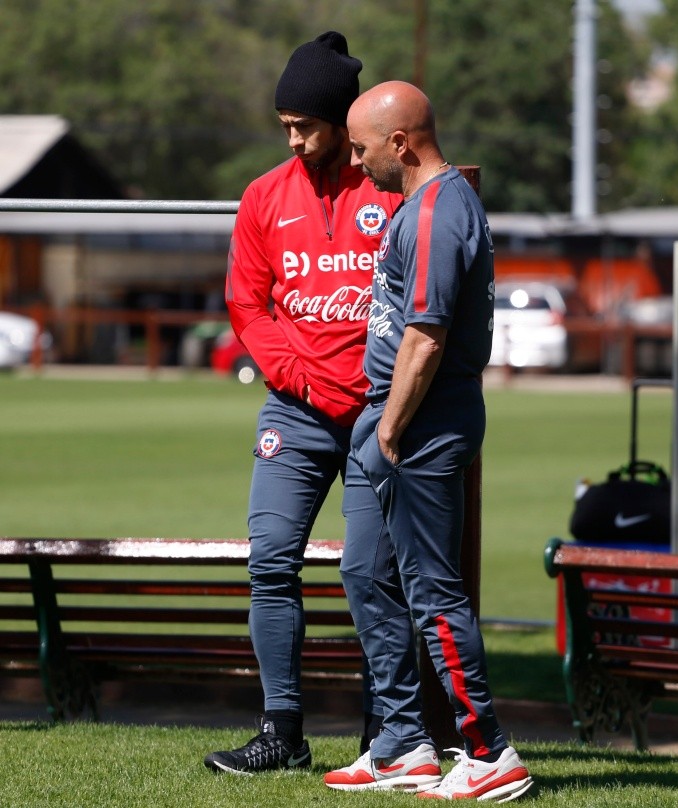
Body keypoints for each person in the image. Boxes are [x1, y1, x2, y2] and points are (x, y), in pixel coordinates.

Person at [323, 81, 534, 802]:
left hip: (419, 423)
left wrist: (389, 427)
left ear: (400, 142)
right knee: (365, 574)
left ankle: (489, 752)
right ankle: (401, 744)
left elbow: (427, 334)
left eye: (361, 149)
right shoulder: (417, 207)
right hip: (390, 419)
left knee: (433, 591)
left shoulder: (442, 210)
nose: (355, 163)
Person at [204, 33, 401, 776]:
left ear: (342, 120)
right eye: (284, 125)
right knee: (270, 561)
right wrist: (294, 372)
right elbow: (245, 303)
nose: (292, 139)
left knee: (373, 575)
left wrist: (381, 387)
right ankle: (281, 732)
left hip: (379, 415)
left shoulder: (389, 190)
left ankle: (386, 738)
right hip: (295, 409)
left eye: (304, 125)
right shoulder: (264, 196)